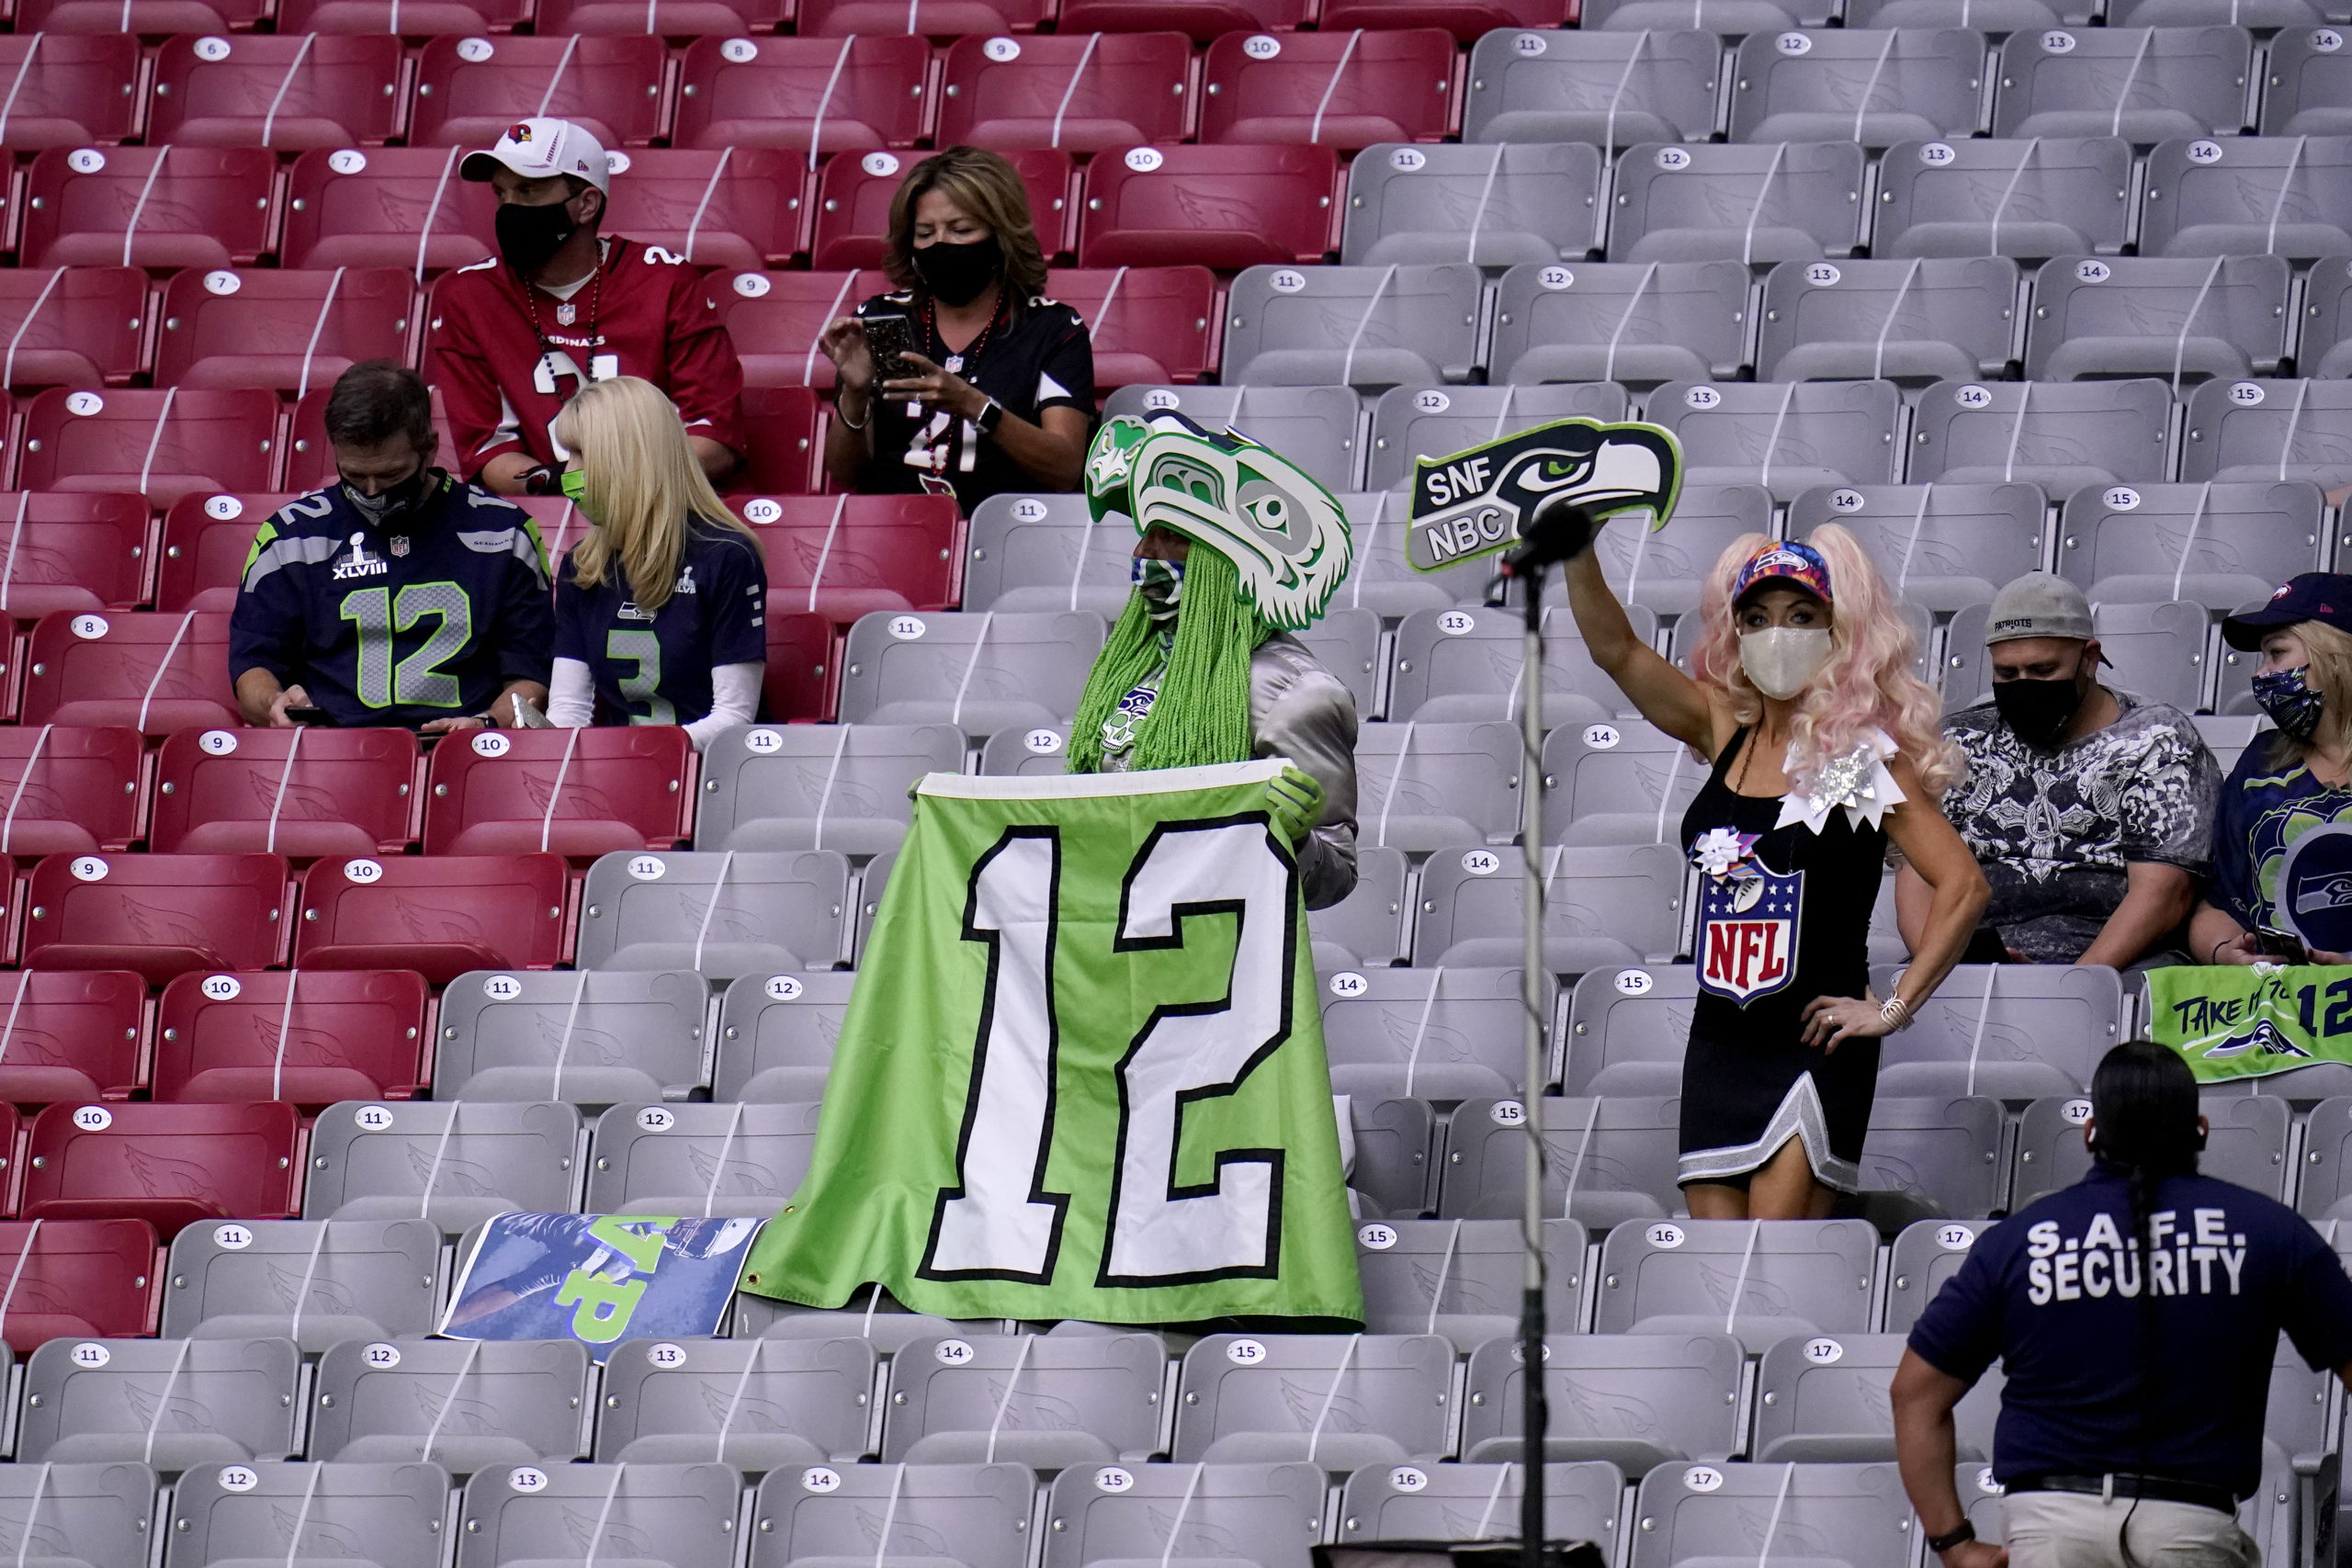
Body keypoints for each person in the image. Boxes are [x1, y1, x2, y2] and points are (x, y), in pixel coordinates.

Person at [1564, 529, 1988, 1219]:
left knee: (1771, 1259)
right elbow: (1616, 650)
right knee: (1717, 1271)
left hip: (1815, 1043)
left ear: (1837, 629)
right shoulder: (1720, 723)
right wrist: (1575, 549)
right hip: (1721, 1038)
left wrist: (1892, 1007)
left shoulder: (1855, 759)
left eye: (1800, 616)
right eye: (1757, 618)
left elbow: (1965, 885)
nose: (1776, 634)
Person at [1893, 1040, 2352, 1568]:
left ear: (2090, 1134)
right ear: (2199, 1131)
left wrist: (1955, 1544)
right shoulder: (2274, 1234)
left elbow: (1914, 1395)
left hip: (2050, 1528)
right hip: (2190, 1528)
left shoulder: (2014, 1244)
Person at [1068, 412, 1358, 909]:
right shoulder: (1136, 664)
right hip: (1106, 944)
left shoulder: (1299, 694)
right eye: (1145, 534)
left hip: (1217, 960)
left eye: (1170, 537)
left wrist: (1294, 840)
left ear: (1227, 558)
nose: (1144, 552)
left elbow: (1336, 876)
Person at [1900, 572, 2218, 970]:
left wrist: (2069, 986)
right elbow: (1916, 879)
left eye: (2043, 670)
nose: (2024, 686)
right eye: (2007, 674)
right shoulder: (1959, 742)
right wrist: (1941, 966)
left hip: (2118, 966)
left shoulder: (2158, 741)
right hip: (1969, 962)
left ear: (2089, 658)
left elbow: (2165, 895)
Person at [230, 360, 553, 731]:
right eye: (353, 475)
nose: (372, 492)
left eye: (390, 475)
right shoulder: (290, 536)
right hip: (332, 755)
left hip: (461, 751)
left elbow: (530, 677)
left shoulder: (504, 532)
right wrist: (275, 702)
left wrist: (485, 723)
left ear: (430, 449)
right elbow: (253, 667)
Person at [436, 117, 742, 497]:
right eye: (501, 194)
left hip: (662, 508)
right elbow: (488, 453)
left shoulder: (667, 282)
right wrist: (572, 486)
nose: (510, 208)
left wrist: (616, 487)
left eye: (528, 191)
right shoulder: (469, 293)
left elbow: (713, 439)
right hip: (545, 517)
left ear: (586, 205)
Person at [821, 145, 1092, 515]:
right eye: (925, 232)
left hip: (1007, 535)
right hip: (893, 534)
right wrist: (853, 393)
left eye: (961, 230)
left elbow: (1065, 468)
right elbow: (844, 472)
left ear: (1001, 236)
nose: (941, 244)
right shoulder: (883, 320)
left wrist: (973, 405)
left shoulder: (1053, 329)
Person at [545, 376, 768, 750]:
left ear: (631, 460)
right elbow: (568, 710)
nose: (568, 474)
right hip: (624, 774)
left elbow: (733, 718)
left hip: (709, 778)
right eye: (568, 456)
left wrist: (647, 754)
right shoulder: (581, 566)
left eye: (581, 456)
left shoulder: (728, 557)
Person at [2193, 574, 2352, 966]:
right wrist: (2224, 953)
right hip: (2275, 1009)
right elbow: (2216, 906)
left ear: (2336, 656)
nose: (2261, 674)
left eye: (2276, 653)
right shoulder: (2260, 764)